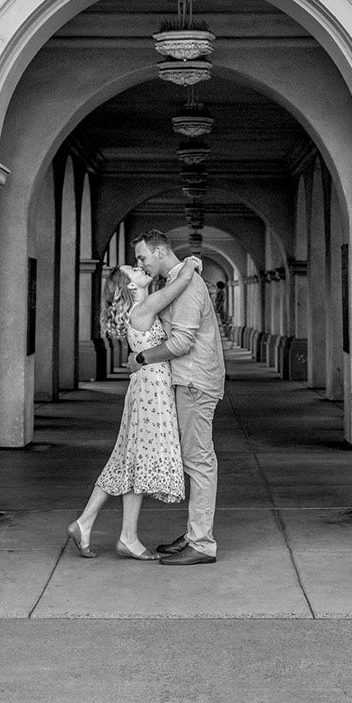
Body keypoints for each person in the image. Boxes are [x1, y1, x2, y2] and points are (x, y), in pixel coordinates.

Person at [66, 254, 201, 560]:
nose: (140, 268)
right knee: (138, 460)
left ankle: (87, 524)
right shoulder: (144, 308)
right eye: (134, 269)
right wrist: (190, 264)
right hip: (151, 390)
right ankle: (123, 536)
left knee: (127, 460)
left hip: (146, 387)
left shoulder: (141, 308)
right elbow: (180, 285)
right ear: (129, 283)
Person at [128, 229, 226, 566]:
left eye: (142, 257)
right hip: (191, 380)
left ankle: (201, 542)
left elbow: (182, 342)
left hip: (195, 382)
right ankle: (195, 533)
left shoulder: (189, 286)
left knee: (199, 461)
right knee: (195, 459)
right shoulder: (180, 279)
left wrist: (141, 358)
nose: (140, 264)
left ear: (158, 251)